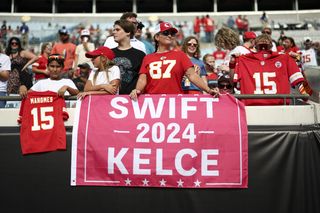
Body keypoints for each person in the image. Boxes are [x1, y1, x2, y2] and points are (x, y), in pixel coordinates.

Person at [129, 22, 219, 100]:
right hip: (153, 101)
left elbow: (192, 76)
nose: (169, 35)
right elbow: (142, 80)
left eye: (172, 33)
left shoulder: (180, 55)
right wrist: (137, 90)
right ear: (157, 37)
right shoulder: (148, 58)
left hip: (175, 101)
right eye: (166, 33)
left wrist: (208, 90)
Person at [233, 34, 306, 106]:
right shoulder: (284, 58)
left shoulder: (243, 59)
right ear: (271, 46)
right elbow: (299, 81)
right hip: (279, 106)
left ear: (255, 47)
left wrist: (233, 63)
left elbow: (236, 85)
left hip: (252, 106)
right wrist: (308, 95)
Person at [111, 19, 146, 95]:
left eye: (117, 30)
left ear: (128, 32)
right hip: (109, 99)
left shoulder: (140, 55)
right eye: (113, 30)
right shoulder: (108, 54)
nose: (114, 32)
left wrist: (137, 90)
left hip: (132, 99)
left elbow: (143, 79)